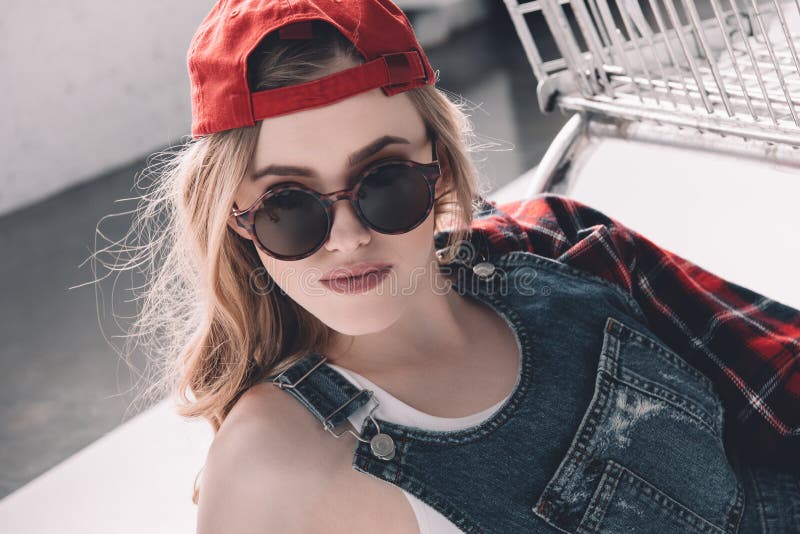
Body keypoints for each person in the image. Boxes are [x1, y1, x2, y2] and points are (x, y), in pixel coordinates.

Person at [114, 1, 799, 532]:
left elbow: (777, 385)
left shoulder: (559, 246)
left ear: (438, 168)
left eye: (386, 182)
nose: (349, 238)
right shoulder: (272, 462)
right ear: (236, 219)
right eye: (289, 208)